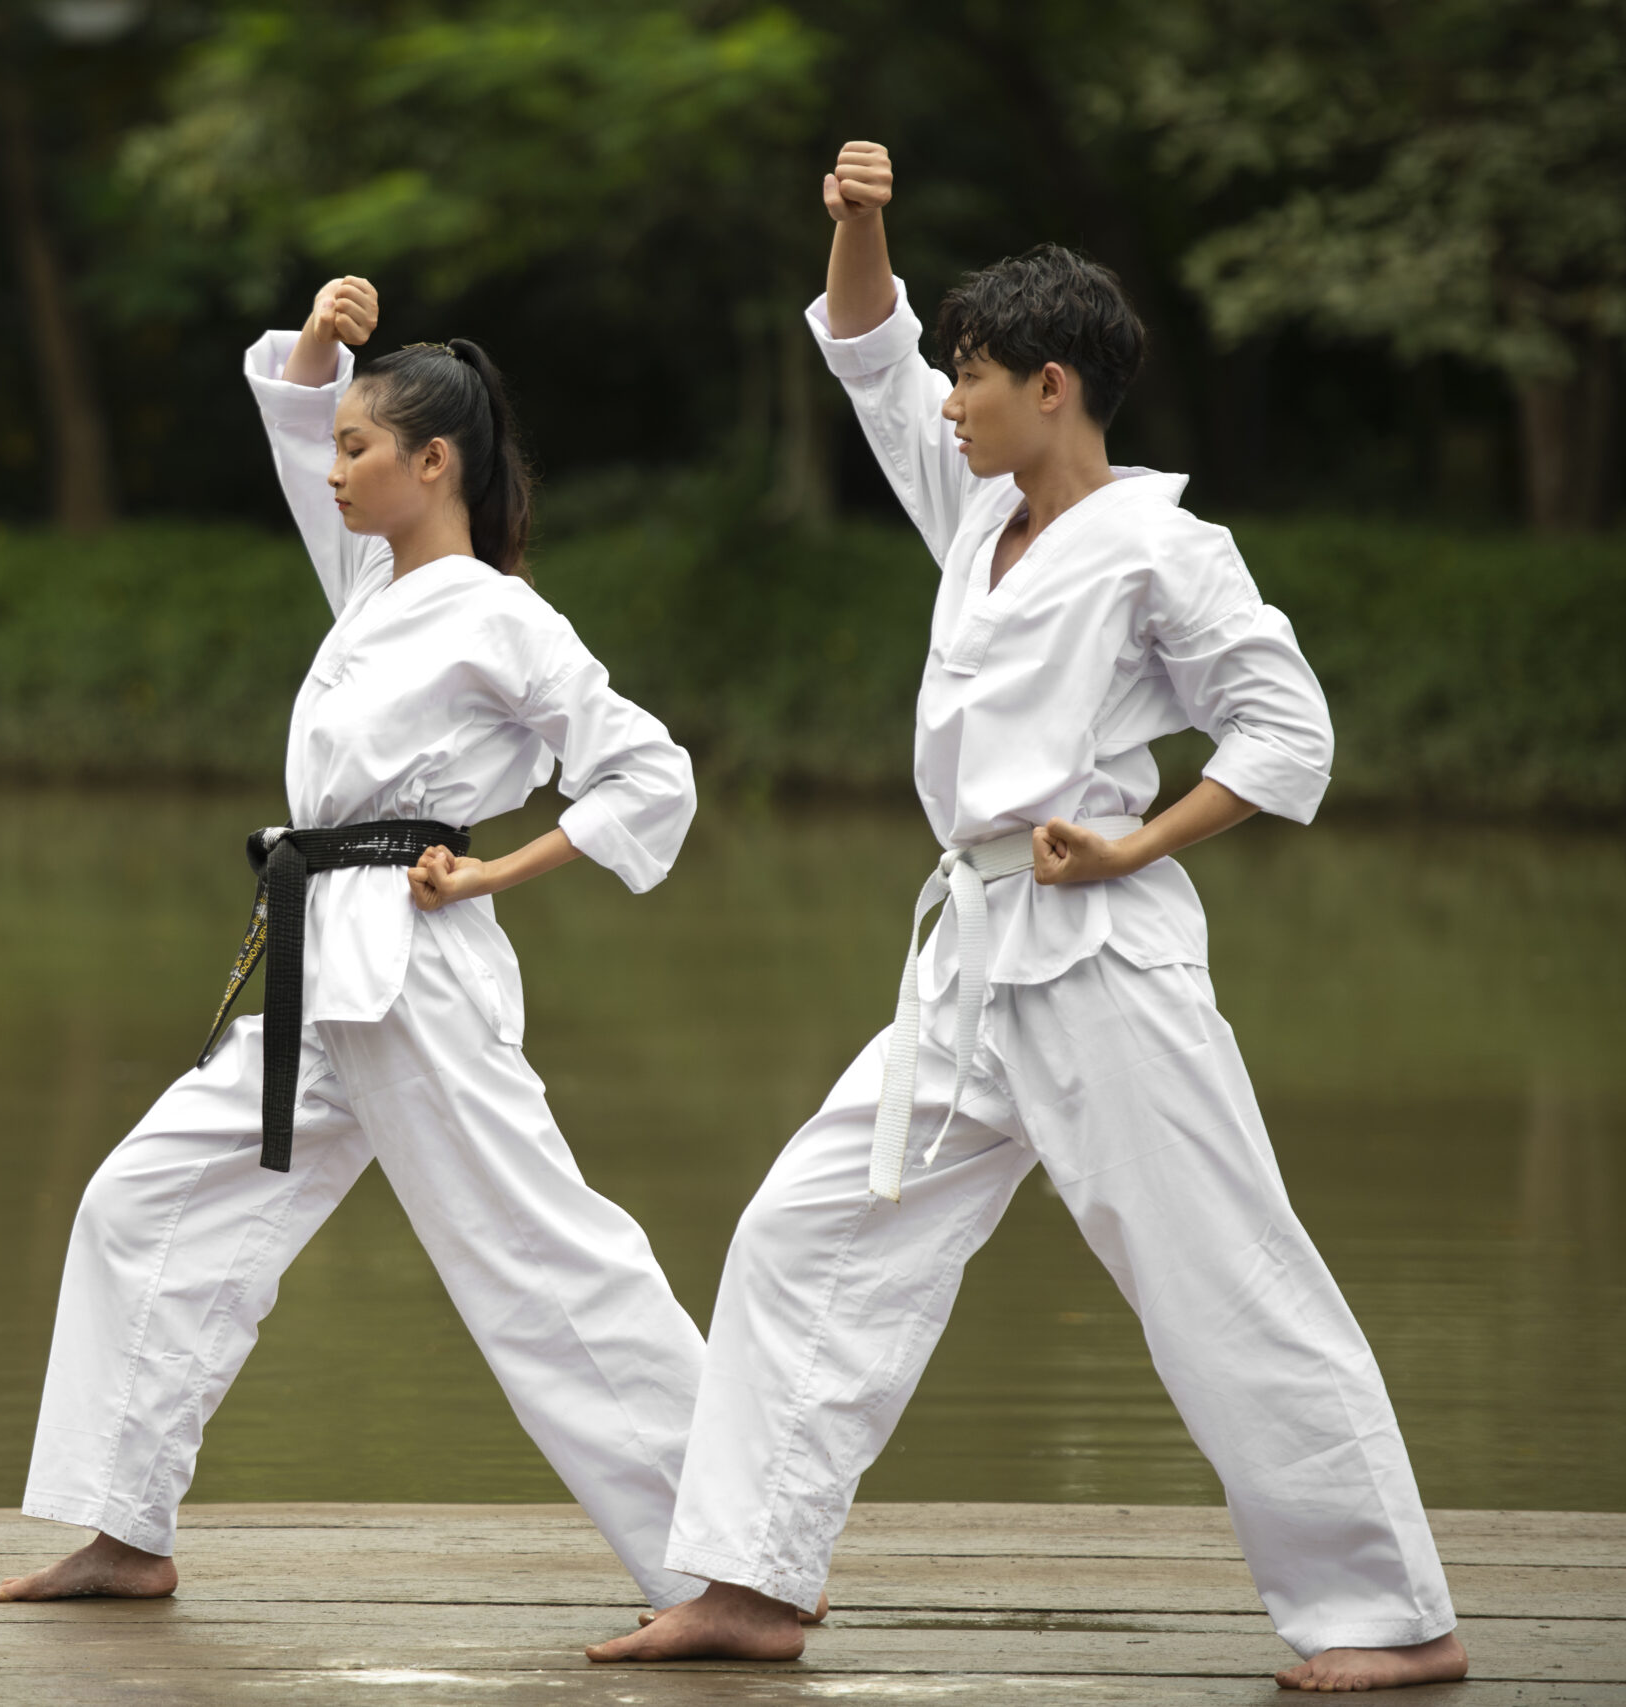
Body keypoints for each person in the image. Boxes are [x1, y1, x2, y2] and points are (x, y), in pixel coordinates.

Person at [586, 143, 1467, 1693]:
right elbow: (868, 352)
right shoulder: (974, 514)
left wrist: (1134, 849)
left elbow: (1287, 738)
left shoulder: (1163, 548)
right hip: (970, 959)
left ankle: (1388, 1617)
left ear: (1052, 386)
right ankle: (749, 1580)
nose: (950, 400)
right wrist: (863, 226)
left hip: (1104, 961)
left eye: (976, 377)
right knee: (806, 1235)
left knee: (1223, 1276)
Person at [0, 275, 715, 1614]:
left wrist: (501, 862)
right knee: (145, 1207)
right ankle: (126, 1529)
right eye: (336, 446)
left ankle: (731, 1562)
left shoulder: (499, 611)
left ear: (434, 463)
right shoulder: (375, 586)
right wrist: (325, 339)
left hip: (418, 966)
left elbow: (647, 776)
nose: (333, 470)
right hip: (329, 963)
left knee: (541, 1254)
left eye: (362, 449)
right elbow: (294, 406)